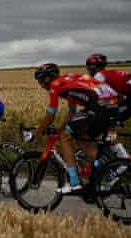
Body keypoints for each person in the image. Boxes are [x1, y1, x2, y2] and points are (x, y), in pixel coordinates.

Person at [33, 63, 119, 194]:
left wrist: (37, 133)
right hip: (112, 105)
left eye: (40, 80)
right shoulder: (68, 81)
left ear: (46, 78)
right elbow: (72, 112)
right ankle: (110, 175)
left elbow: (50, 115)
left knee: (65, 137)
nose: (40, 85)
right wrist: (60, 128)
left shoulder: (55, 85)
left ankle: (74, 183)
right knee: (82, 138)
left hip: (98, 107)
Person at [86, 54, 131, 161]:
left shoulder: (98, 76)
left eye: (88, 67)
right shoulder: (112, 73)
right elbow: (120, 98)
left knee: (108, 124)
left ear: (91, 67)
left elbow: (107, 99)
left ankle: (125, 161)